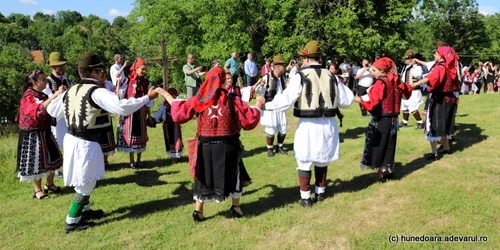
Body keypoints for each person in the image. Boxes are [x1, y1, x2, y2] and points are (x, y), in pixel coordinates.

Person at [47, 52, 159, 233]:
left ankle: (86, 210)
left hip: (72, 139)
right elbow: (122, 107)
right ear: (95, 72)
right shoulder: (97, 92)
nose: (104, 75)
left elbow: (52, 109)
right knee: (85, 183)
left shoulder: (71, 90)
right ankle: (72, 221)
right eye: (102, 72)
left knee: (83, 178)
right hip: (85, 142)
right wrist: (147, 98)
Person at [158, 67, 261, 221]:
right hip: (228, 146)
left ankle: (198, 211)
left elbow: (180, 113)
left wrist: (166, 94)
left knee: (202, 177)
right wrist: (258, 103)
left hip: (205, 146)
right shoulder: (232, 99)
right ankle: (235, 206)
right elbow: (250, 120)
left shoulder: (200, 100)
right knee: (235, 174)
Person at [261, 41, 354, 208]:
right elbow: (347, 100)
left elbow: (286, 101)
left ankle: (305, 198)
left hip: (308, 123)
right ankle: (320, 193)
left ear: (306, 58)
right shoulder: (332, 76)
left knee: (304, 159)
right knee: (322, 159)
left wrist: (266, 105)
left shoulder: (300, 76)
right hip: (328, 123)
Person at [354, 58, 412, 182]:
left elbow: (372, 101)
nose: (372, 72)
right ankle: (388, 170)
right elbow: (407, 90)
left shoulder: (381, 83)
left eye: (374, 70)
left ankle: (380, 174)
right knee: (389, 145)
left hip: (382, 118)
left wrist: (357, 99)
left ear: (381, 70)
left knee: (379, 145)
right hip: (394, 118)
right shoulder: (395, 81)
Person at [17, 70, 64, 199]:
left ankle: (50, 184)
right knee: (38, 161)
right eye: (42, 80)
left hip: (45, 131)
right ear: (34, 82)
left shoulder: (41, 95)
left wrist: (57, 96)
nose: (45, 82)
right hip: (34, 134)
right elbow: (36, 110)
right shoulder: (28, 97)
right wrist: (54, 96)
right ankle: (37, 190)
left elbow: (47, 107)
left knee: (53, 157)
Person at [411, 46, 460, 160]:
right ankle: (446, 148)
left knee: (433, 124)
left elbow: (431, 78)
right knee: (446, 122)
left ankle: (434, 153)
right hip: (450, 98)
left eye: (436, 54)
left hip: (439, 99)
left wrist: (416, 84)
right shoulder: (450, 66)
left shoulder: (440, 67)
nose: (434, 56)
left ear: (441, 55)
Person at [116, 58, 155, 168]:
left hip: (142, 112)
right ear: (136, 69)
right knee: (131, 136)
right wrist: (119, 82)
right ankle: (132, 160)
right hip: (130, 113)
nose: (144, 71)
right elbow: (120, 95)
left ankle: (139, 159)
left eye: (145, 69)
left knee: (141, 136)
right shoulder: (128, 81)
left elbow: (149, 99)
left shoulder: (146, 82)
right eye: (142, 69)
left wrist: (150, 115)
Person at [44, 52, 73, 178]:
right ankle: (57, 169)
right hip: (55, 118)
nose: (61, 68)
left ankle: (66, 167)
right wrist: (58, 93)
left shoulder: (67, 80)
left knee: (67, 141)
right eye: (58, 66)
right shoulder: (48, 82)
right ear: (52, 68)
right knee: (57, 142)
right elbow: (47, 100)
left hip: (66, 116)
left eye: (62, 66)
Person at [253, 56, 288, 157]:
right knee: (271, 129)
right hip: (270, 106)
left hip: (281, 106)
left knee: (283, 128)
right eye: (283, 65)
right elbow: (259, 91)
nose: (285, 67)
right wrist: (261, 85)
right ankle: (270, 148)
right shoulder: (267, 77)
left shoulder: (283, 77)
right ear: (277, 67)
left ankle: (280, 147)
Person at [152, 88, 183, 163]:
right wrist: (152, 120)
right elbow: (159, 114)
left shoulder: (177, 104)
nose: (173, 97)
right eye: (172, 95)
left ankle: (177, 155)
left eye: (174, 95)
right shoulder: (164, 105)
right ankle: (173, 157)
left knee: (177, 140)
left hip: (175, 125)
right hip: (167, 126)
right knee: (170, 141)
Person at [399, 50, 424, 129]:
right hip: (406, 90)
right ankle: (404, 122)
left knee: (413, 108)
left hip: (414, 91)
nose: (405, 60)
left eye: (407, 59)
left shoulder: (417, 67)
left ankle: (420, 122)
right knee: (405, 106)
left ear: (411, 59)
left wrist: (414, 66)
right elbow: (403, 77)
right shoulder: (406, 67)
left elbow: (418, 76)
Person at [98, 80, 117, 167]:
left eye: (104, 73)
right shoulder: (93, 85)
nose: (102, 76)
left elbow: (116, 92)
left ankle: (105, 160)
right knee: (98, 139)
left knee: (107, 136)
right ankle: (98, 161)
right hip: (97, 115)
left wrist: (119, 81)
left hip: (106, 114)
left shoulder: (108, 83)